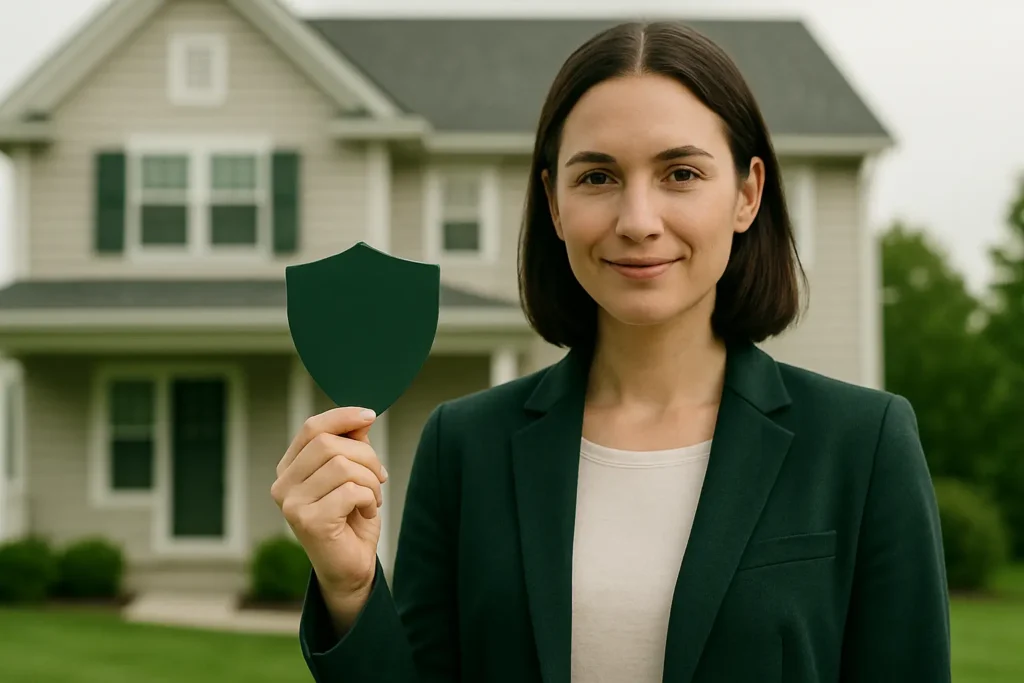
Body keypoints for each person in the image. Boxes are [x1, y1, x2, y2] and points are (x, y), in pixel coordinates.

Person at [271, 20, 951, 683]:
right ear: (555, 203)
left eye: (680, 173)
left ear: (747, 194)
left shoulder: (863, 446)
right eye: (597, 177)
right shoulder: (465, 448)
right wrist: (351, 586)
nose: (637, 221)